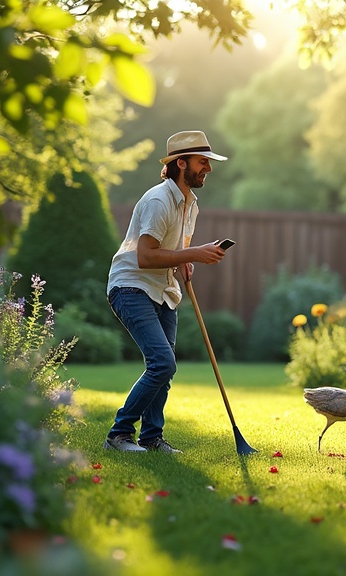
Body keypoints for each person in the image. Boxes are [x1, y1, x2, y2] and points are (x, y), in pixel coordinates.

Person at [103, 130, 230, 452]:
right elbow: (145, 257)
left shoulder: (190, 204)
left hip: (164, 290)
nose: (208, 169)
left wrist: (184, 263)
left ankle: (151, 438)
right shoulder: (159, 200)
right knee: (162, 363)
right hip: (132, 286)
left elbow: (170, 251)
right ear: (181, 163)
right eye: (203, 162)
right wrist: (193, 254)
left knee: (163, 368)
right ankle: (118, 435)